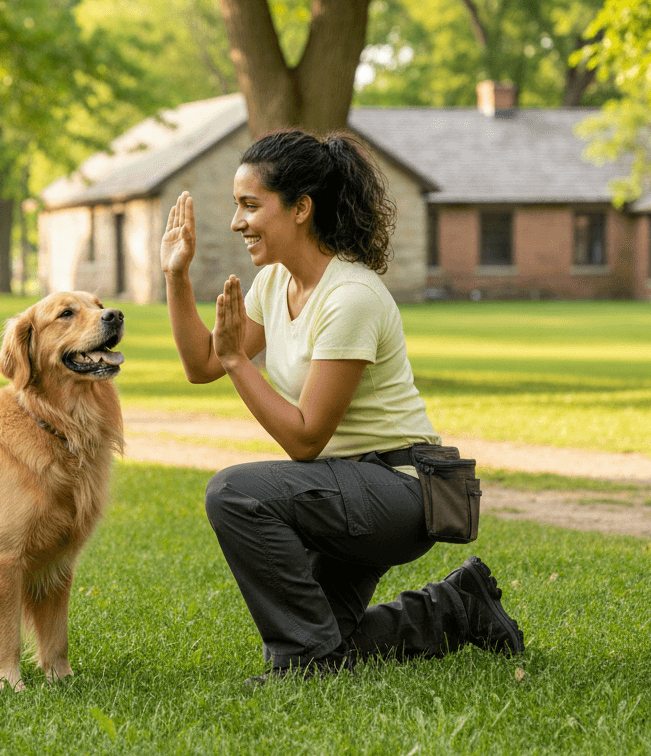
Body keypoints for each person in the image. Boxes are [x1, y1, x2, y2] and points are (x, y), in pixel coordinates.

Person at [160, 129, 524, 684]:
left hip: (401, 491)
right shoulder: (273, 283)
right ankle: (456, 606)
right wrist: (176, 275)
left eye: (250, 205)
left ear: (300, 208)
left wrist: (238, 360)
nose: (237, 222)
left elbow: (305, 438)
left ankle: (304, 663)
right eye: (238, 206)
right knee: (334, 634)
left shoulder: (350, 297)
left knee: (234, 492)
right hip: (344, 488)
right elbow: (201, 365)